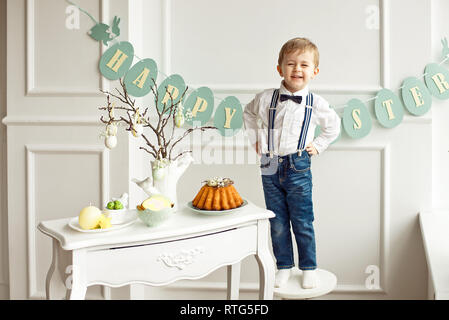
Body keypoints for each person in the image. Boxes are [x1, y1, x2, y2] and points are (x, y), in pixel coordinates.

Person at [243, 37, 340, 289]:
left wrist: (317, 145)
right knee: (277, 221)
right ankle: (284, 266)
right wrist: (256, 139)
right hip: (269, 165)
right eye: (291, 64)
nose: (297, 69)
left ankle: (309, 267)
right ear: (280, 69)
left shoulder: (316, 103)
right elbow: (248, 113)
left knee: (303, 220)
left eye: (304, 65)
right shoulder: (266, 98)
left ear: (314, 72)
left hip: (298, 165)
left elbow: (333, 126)